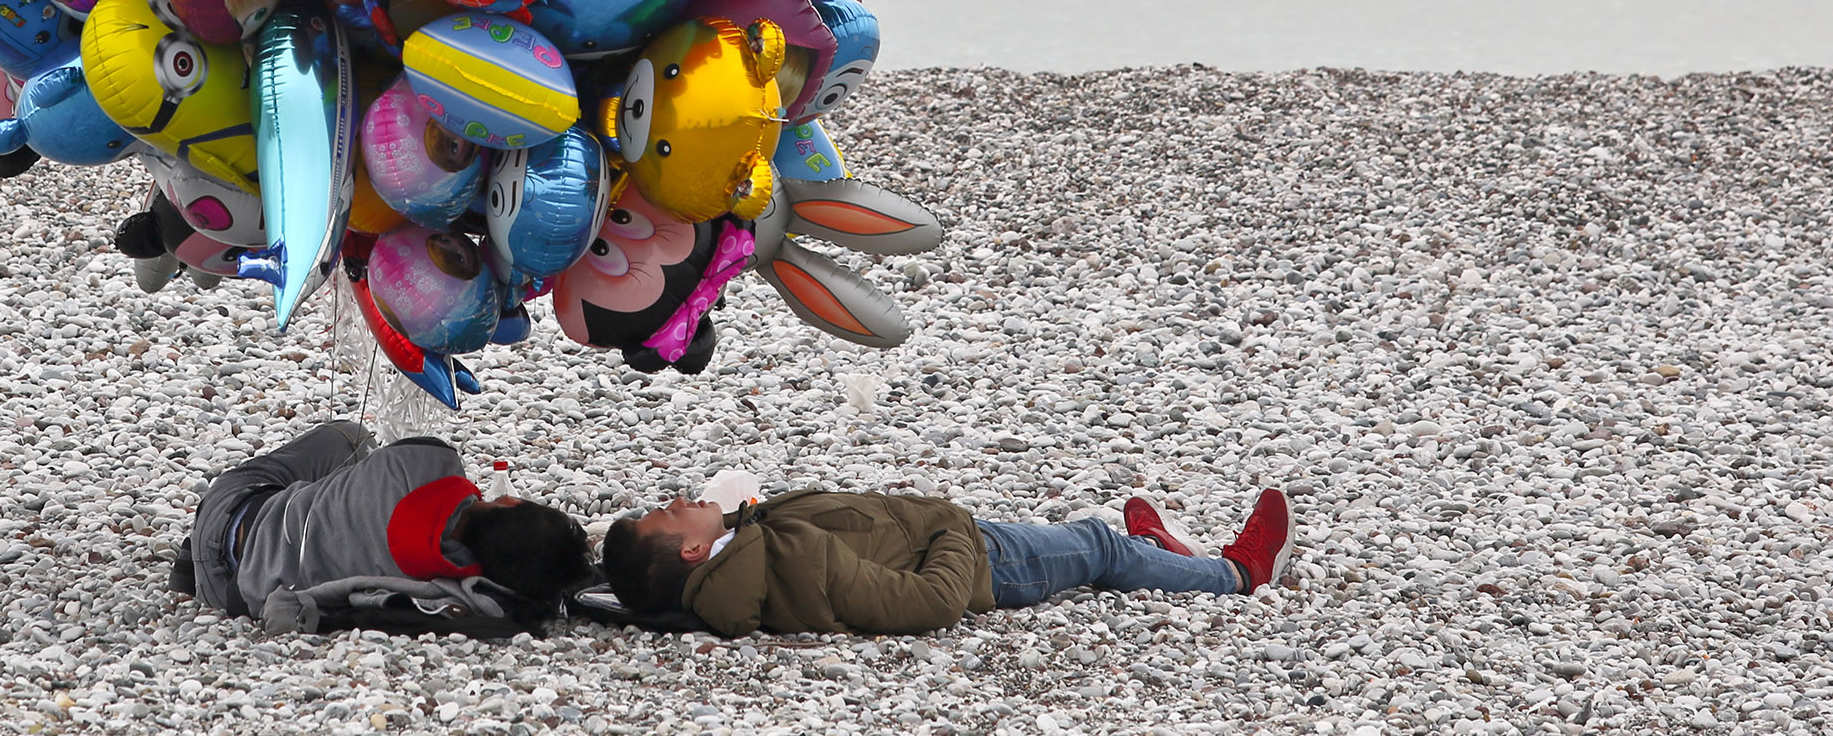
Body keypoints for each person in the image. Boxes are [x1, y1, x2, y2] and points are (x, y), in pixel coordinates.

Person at [601, 483, 1291, 637]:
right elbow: (932, 603)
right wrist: (950, 524)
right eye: (667, 512)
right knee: (1095, 544)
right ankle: (1235, 572)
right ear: (693, 549)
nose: (677, 497)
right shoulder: (784, 555)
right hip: (985, 562)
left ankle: (1152, 552)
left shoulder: (743, 554)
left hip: (949, 541)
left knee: (1100, 542)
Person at [173, 420, 591, 626]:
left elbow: (400, 441)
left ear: (510, 502)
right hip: (229, 595)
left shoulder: (429, 461)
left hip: (232, 510)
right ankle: (189, 564)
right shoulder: (438, 586)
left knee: (352, 439)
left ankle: (195, 545)